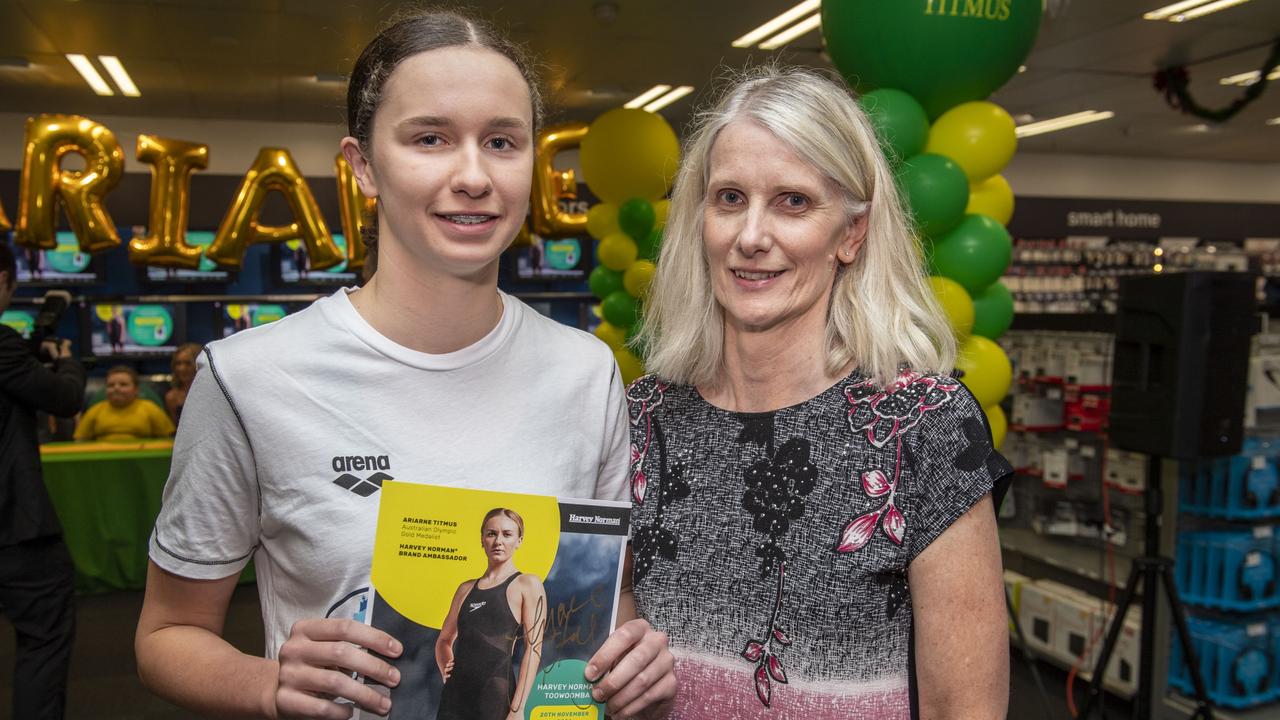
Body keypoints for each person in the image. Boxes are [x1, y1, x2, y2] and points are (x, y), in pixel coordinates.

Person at [135, 10, 675, 720]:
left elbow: (606, 601)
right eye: (430, 138)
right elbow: (166, 634)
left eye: (502, 141)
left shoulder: (586, 372)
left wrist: (630, 661)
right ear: (362, 165)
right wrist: (266, 685)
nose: (474, 175)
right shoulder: (250, 378)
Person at [626, 65, 1012, 719]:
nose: (750, 236)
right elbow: (605, 625)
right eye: (728, 199)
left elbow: (965, 707)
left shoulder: (918, 427)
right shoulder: (644, 416)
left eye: (793, 202)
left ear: (852, 233)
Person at [0, 242, 86, 719]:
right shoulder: (3, 345)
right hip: (16, 531)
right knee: (43, 642)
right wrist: (66, 359)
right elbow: (65, 397)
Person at [435, 508, 545, 720]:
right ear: (482, 539)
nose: (498, 541)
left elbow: (534, 648)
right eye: (491, 533)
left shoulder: (527, 584)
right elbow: (444, 640)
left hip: (495, 693)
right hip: (455, 695)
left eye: (507, 534)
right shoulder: (465, 588)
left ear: (519, 541)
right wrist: (446, 670)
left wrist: (518, 709)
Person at [74, 365, 174, 441]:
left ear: (136, 390)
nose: (116, 388)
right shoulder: (95, 410)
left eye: (123, 384)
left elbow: (168, 439)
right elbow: (80, 440)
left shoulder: (150, 408)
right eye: (111, 385)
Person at [164, 342, 202, 425]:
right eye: (178, 363)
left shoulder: (211, 393)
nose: (182, 368)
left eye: (188, 363)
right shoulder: (172, 397)